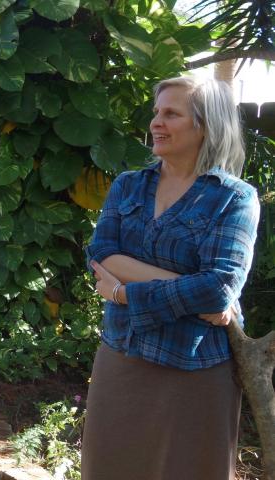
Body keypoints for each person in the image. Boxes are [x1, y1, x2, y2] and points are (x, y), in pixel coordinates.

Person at [81, 76, 260, 480]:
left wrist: (125, 293)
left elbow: (219, 287)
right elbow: (101, 253)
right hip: (122, 355)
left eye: (171, 114)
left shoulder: (234, 197)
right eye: (156, 113)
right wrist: (191, 288)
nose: (156, 123)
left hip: (194, 367)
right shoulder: (129, 185)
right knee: (109, 469)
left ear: (206, 125)